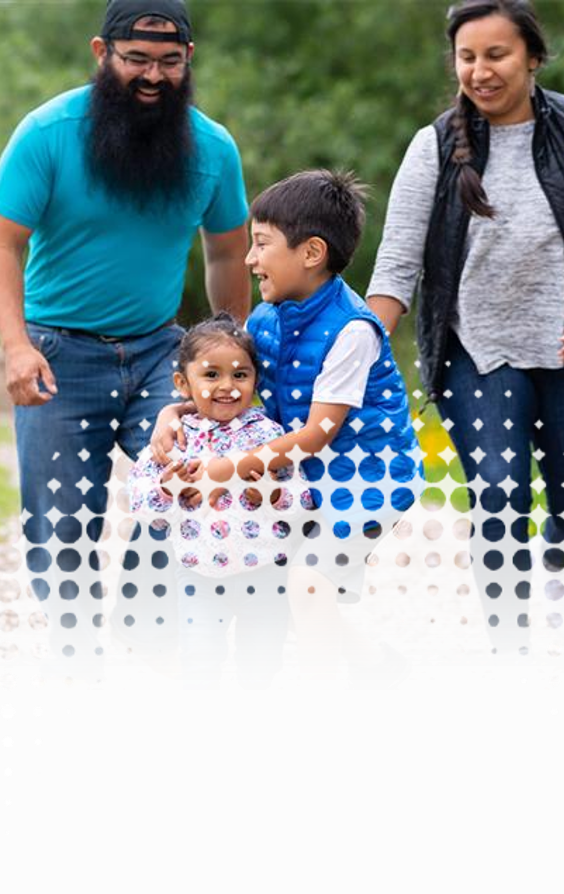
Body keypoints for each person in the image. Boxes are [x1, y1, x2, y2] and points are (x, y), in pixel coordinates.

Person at [366, 0, 564, 655]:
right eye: (466, 56)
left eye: (495, 55)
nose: (479, 71)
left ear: (532, 57)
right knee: (500, 488)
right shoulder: (434, 147)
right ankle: (504, 648)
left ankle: (555, 566)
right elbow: (396, 266)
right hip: (473, 352)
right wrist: (357, 345)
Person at [0, 0, 250, 663]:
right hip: (57, 352)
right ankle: (83, 661)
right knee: (62, 525)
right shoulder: (47, 132)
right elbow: (4, 244)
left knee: (186, 495)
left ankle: (147, 637)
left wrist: (235, 351)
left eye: (169, 62)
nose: (152, 76)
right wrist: (16, 345)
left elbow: (227, 253)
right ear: (100, 53)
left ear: (188, 61)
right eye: (136, 59)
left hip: (162, 353)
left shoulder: (213, 148)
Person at [151, 169, 423, 678]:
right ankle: (381, 672)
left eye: (261, 245)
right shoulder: (264, 320)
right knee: (287, 590)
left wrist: (229, 469)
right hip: (307, 476)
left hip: (369, 477)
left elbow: (320, 432)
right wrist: (174, 413)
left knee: (307, 584)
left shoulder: (353, 330)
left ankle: (333, 703)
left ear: (311, 253)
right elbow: (237, 399)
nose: (250, 259)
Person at [127, 312, 311, 683]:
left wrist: (273, 494)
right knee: (200, 655)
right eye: (212, 375)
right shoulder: (174, 437)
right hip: (199, 571)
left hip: (263, 568)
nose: (227, 386)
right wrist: (168, 491)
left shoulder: (268, 433)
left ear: (255, 380)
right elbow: (140, 502)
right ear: (183, 382)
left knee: (261, 659)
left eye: (240, 375)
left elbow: (302, 499)